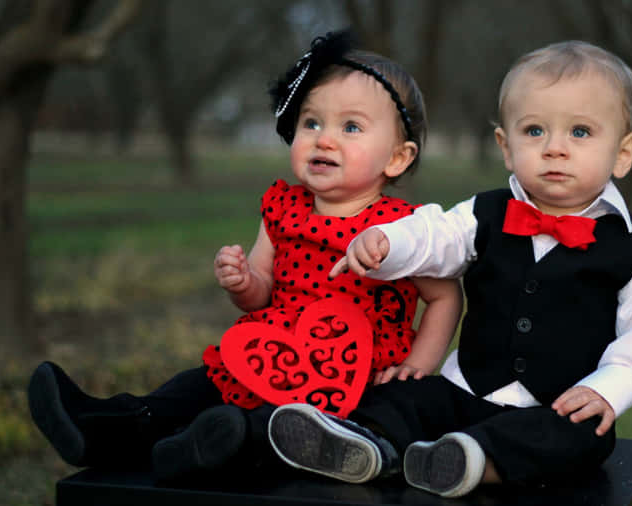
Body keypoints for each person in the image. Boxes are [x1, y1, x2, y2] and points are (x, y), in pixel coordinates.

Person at [27, 30, 462, 483]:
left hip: (349, 376)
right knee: (198, 385)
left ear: (397, 157)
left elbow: (445, 296)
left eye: (350, 127)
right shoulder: (282, 208)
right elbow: (261, 292)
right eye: (311, 123)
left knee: (283, 426)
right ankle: (107, 426)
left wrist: (419, 363)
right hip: (269, 351)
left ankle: (219, 448)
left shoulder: (402, 230)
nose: (324, 140)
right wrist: (242, 280)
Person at [268, 40, 632, 498]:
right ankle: (363, 446)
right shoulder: (485, 213)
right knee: (401, 394)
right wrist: (388, 242)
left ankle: (469, 463)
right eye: (535, 131)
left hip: (553, 406)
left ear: (624, 152)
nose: (555, 149)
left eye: (580, 133)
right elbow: (434, 236)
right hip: (464, 392)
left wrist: (607, 389)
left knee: (580, 439)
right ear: (505, 146)